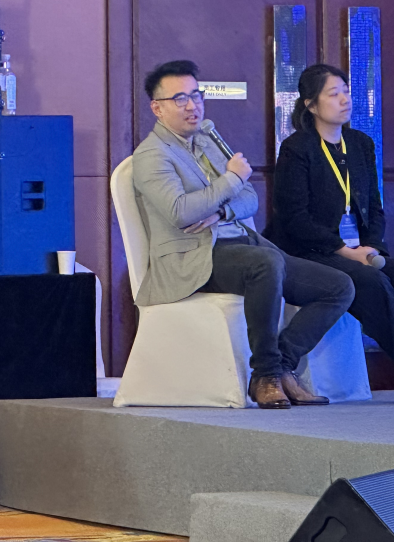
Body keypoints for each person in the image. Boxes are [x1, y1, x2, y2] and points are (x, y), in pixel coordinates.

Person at [131, 60, 355, 409]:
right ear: (157, 108)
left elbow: (250, 197)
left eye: (196, 95)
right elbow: (181, 212)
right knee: (264, 263)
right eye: (179, 99)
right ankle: (265, 374)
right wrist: (231, 179)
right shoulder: (151, 155)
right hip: (194, 256)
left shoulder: (207, 140)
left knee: (338, 286)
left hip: (241, 245)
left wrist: (221, 210)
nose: (192, 106)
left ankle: (282, 365)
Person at [272, 63, 394, 404]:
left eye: (346, 91)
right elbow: (295, 220)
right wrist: (346, 252)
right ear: (311, 105)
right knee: (371, 282)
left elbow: (374, 208)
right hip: (312, 252)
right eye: (334, 94)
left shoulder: (360, 144)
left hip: (359, 249)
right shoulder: (297, 149)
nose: (345, 100)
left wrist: (372, 247)